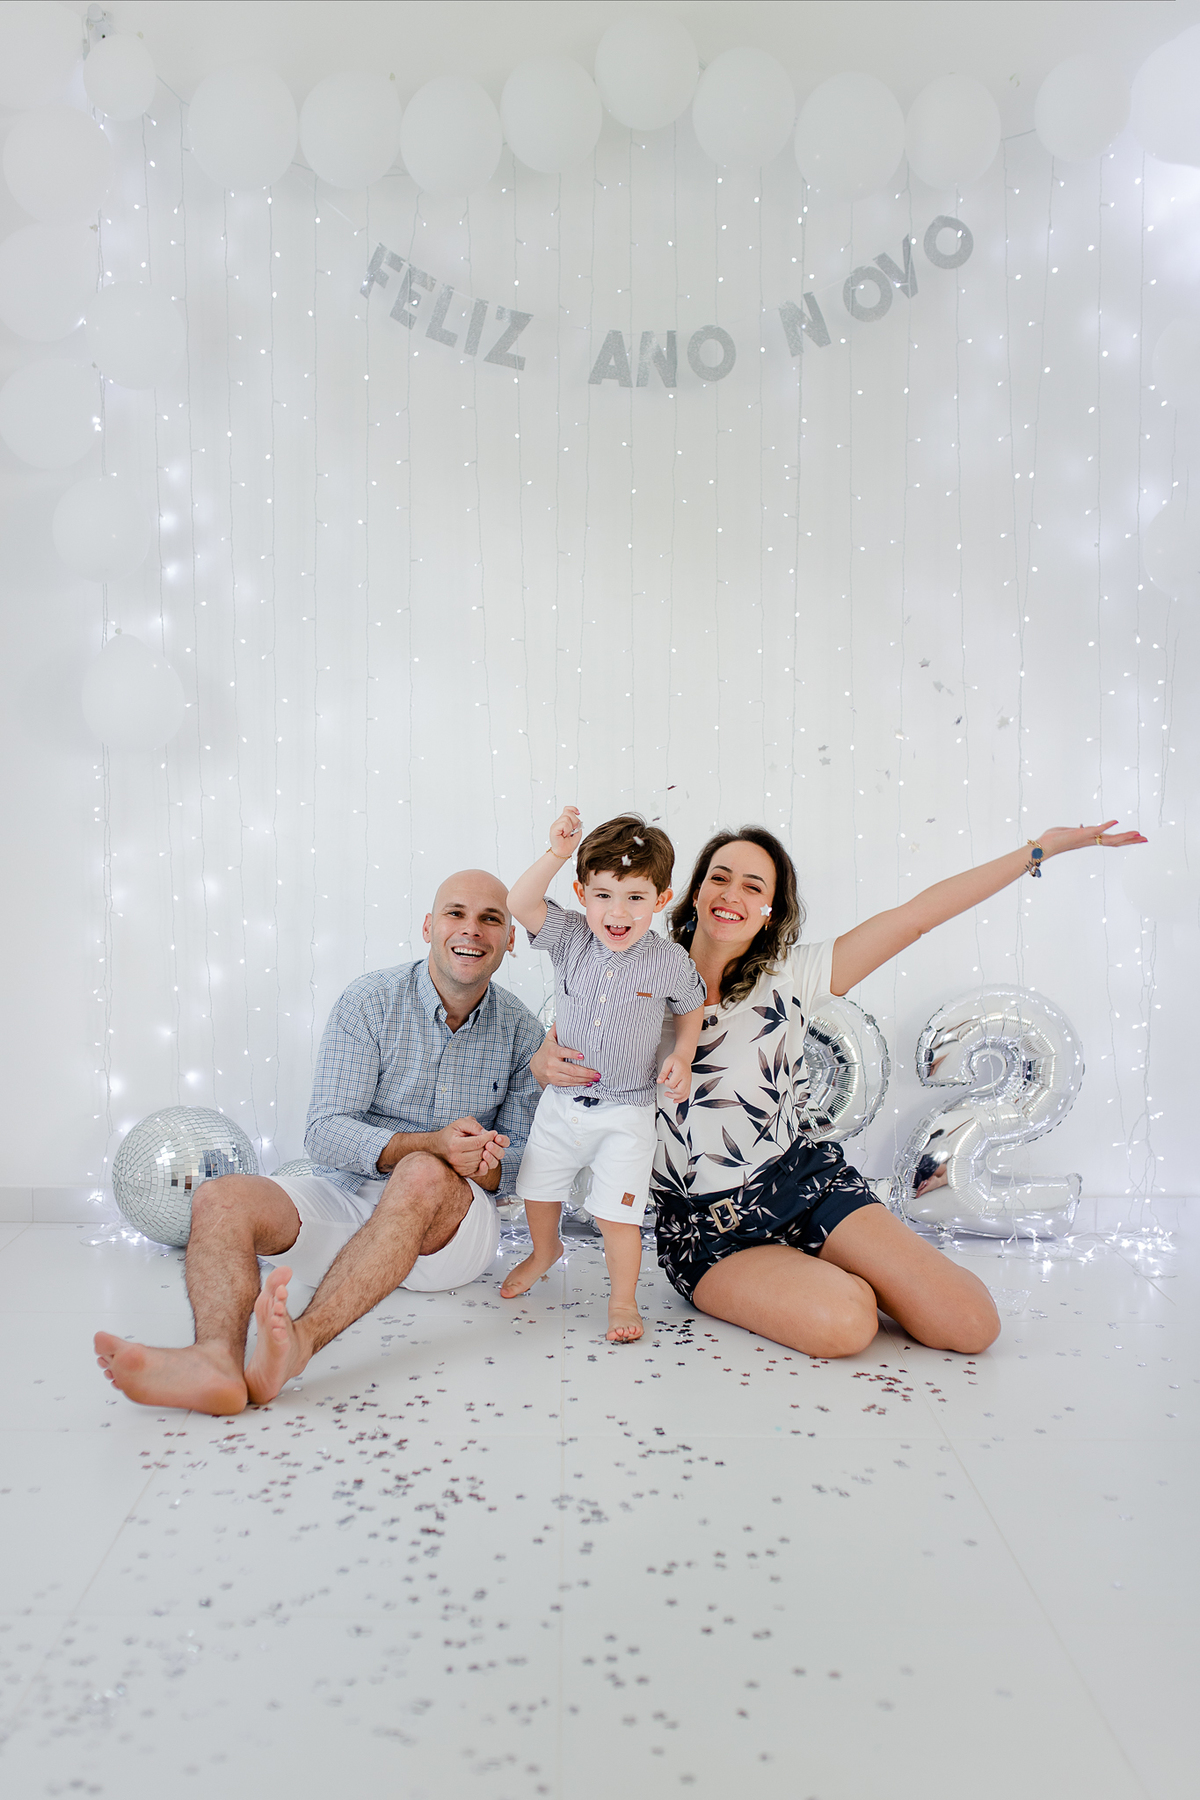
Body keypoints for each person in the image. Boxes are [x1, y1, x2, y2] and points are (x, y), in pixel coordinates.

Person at [532, 821, 1146, 1359]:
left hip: (804, 1186)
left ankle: (840, 1263)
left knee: (970, 1323)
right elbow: (562, 1050)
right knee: (846, 1324)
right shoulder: (630, 966)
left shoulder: (795, 974)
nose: (732, 894)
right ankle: (816, 1278)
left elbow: (916, 916)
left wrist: (1039, 850)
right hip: (708, 1231)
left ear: (770, 910)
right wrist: (541, 1061)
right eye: (720, 877)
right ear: (692, 892)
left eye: (754, 886)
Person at [94, 870, 544, 1416]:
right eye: (456, 913)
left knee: (423, 1170)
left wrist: (475, 1162)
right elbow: (325, 1132)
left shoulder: (524, 1032)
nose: (471, 929)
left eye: (490, 919)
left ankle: (298, 1344)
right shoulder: (370, 1001)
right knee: (220, 1196)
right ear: (429, 926)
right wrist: (430, 1141)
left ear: (510, 939)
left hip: (449, 1238)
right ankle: (213, 1360)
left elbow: (522, 1165)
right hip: (350, 1204)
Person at [500, 809, 707, 1343]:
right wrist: (556, 852)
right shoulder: (570, 936)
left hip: (627, 1109)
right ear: (581, 893)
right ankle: (545, 1250)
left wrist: (684, 1054)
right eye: (603, 895)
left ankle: (622, 1300)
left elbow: (692, 1005)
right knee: (538, 1188)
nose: (618, 912)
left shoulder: (668, 960)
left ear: (661, 899)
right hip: (563, 1100)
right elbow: (518, 902)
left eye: (635, 897)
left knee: (619, 1216)